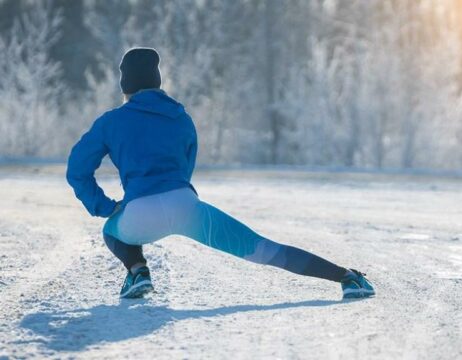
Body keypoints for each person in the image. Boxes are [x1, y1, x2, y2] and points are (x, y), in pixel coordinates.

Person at [66, 47, 375, 299]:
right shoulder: (180, 116)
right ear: (157, 81)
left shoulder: (112, 121)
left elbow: (77, 170)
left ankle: (137, 271)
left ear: (126, 85)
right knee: (265, 249)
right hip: (187, 207)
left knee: (111, 229)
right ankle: (347, 278)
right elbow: (186, 165)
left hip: (138, 215)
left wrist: (106, 206)